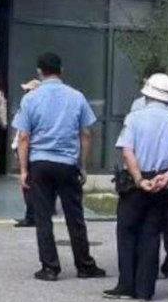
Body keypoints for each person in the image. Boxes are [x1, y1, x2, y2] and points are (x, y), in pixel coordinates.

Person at [13, 52, 106, 282]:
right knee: (75, 216)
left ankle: (50, 267)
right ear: (61, 70)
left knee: (43, 216)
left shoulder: (30, 99)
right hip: (67, 163)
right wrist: (83, 165)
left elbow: (24, 137)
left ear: (39, 72)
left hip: (40, 163)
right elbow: (86, 133)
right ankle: (84, 265)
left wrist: (24, 170)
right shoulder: (76, 97)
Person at [106, 73, 168, 301]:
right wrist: (166, 177)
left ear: (147, 92)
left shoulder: (134, 118)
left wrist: (139, 178)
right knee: (152, 234)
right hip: (164, 181)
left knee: (127, 231)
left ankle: (126, 285)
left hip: (136, 181)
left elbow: (127, 151)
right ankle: (145, 289)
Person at [12, 79, 41, 228]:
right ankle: (34, 214)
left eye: (28, 90)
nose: (25, 93)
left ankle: (31, 216)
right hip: (27, 147)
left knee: (28, 184)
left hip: (28, 148)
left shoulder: (29, 106)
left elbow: (23, 135)